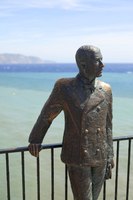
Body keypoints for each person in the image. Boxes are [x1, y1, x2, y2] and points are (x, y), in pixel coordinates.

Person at [28, 45, 114, 200]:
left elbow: (107, 126)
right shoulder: (64, 87)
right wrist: (35, 139)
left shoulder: (106, 89)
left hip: (100, 155)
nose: (103, 64)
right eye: (98, 61)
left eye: (102, 60)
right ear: (83, 65)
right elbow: (47, 115)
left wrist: (109, 156)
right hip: (77, 155)